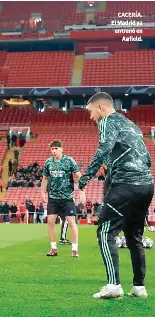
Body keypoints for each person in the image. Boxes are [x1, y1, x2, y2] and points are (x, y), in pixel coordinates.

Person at [78, 92, 154, 299]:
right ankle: (139, 287)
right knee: (134, 236)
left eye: (91, 111)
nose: (91, 116)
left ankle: (114, 285)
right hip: (146, 185)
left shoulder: (107, 122)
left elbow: (104, 149)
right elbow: (146, 159)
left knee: (105, 232)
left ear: (101, 107)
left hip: (126, 185)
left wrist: (84, 179)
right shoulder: (132, 125)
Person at [41, 139, 85, 258]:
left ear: (62, 149)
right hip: (53, 198)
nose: (54, 151)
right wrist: (42, 192)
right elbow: (45, 178)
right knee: (50, 222)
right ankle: (53, 248)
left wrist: (82, 191)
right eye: (52, 149)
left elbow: (78, 175)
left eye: (56, 148)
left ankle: (75, 250)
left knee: (72, 222)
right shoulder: (48, 162)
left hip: (67, 198)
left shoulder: (69, 161)